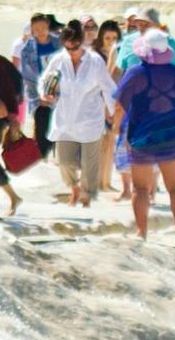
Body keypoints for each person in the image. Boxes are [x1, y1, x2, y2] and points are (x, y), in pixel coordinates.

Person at [114, 20, 175, 247]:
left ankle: (142, 232)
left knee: (140, 188)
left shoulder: (135, 73)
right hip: (173, 138)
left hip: (142, 138)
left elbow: (120, 105)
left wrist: (115, 129)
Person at [40, 20, 117, 203]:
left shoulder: (95, 61)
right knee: (64, 161)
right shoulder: (58, 60)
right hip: (65, 118)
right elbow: (45, 80)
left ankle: (86, 199)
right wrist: (45, 94)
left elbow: (108, 87)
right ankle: (74, 187)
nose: (71, 51)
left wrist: (113, 113)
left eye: (74, 47)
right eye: (67, 48)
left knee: (89, 165)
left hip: (90, 118)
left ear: (81, 42)